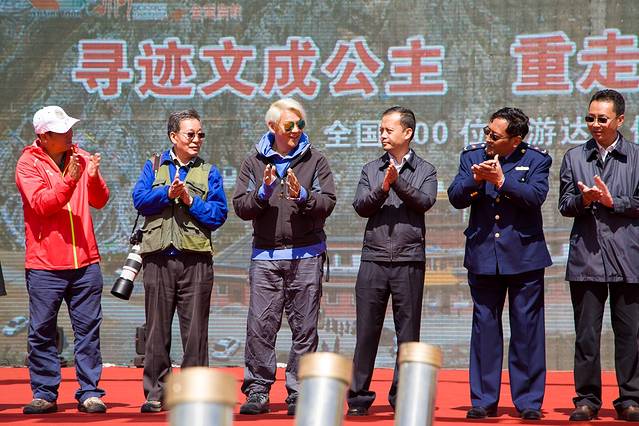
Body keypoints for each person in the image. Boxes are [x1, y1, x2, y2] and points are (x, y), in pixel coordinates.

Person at [233, 98, 336, 416]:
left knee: (305, 328)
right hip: (265, 257)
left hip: (306, 255)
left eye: (300, 124)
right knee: (260, 326)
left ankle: (299, 392)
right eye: (289, 125)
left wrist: (302, 195)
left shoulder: (315, 159)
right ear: (272, 126)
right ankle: (258, 389)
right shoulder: (253, 161)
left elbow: (328, 202)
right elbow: (240, 206)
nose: (295, 130)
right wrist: (263, 192)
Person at [447, 107, 552, 420]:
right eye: (487, 132)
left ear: (515, 139)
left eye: (495, 135)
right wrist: (475, 180)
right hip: (483, 254)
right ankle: (483, 399)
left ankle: (529, 401)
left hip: (524, 255)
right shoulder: (472, 155)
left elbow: (535, 197)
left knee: (527, 329)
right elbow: (455, 196)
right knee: (485, 328)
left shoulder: (537, 159)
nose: (488, 139)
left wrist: (503, 181)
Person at [15, 105, 110, 414]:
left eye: (69, 127)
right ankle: (44, 392)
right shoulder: (27, 164)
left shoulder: (80, 156)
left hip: (85, 261)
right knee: (42, 331)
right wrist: (69, 181)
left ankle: (90, 391)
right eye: (61, 131)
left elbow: (100, 200)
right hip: (45, 265)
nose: (69, 134)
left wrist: (92, 178)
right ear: (43, 137)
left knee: (88, 331)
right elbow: (43, 205)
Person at [132, 109, 228, 412]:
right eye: (191, 134)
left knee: (196, 333)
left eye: (201, 134)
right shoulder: (154, 165)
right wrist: (167, 193)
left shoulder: (209, 171)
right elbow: (139, 200)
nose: (197, 139)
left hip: (195, 260)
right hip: (158, 260)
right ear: (174, 136)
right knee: (156, 330)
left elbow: (218, 215)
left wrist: (189, 200)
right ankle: (157, 392)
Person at [347, 106, 437, 416]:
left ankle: (403, 398)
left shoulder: (426, 170)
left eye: (389, 130)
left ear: (407, 133)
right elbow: (361, 205)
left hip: (408, 259)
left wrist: (397, 182)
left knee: (408, 335)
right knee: (366, 332)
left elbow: (424, 201)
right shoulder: (371, 168)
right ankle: (358, 397)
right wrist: (384, 186)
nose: (383, 135)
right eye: (381, 130)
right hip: (373, 259)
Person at [558, 89, 639, 422]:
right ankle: (587, 399)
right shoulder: (575, 157)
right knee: (587, 335)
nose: (595, 124)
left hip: (628, 257)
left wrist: (613, 201)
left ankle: (631, 398)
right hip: (587, 256)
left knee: (631, 334)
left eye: (602, 119)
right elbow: (564, 205)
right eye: (590, 118)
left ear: (620, 120)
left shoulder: (636, 156)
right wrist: (585, 199)